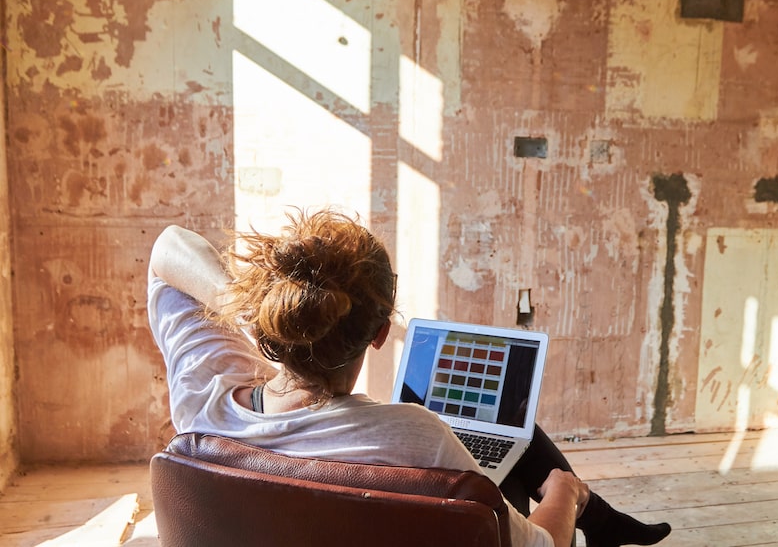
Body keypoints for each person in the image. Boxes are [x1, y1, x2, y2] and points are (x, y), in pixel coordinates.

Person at [147, 207, 672, 547]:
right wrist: (561, 493)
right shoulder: (413, 434)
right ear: (379, 335)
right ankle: (593, 513)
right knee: (524, 458)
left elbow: (167, 249)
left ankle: (604, 523)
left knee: (518, 441)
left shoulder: (203, 400)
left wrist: (248, 314)